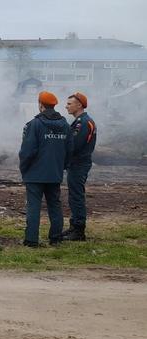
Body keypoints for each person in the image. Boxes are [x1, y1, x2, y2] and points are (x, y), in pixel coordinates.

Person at [19, 91, 71, 247]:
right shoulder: (65, 125)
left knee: (33, 207)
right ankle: (56, 238)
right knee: (55, 205)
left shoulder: (34, 124)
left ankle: (31, 240)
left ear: (40, 105)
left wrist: (24, 168)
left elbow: (27, 151)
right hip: (55, 173)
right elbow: (70, 150)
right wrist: (61, 167)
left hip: (34, 174)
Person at [62, 92, 97, 241]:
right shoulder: (80, 121)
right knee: (74, 195)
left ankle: (78, 230)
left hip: (79, 164)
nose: (66, 106)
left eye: (69, 104)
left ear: (79, 105)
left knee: (76, 196)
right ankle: (74, 226)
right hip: (76, 163)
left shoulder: (83, 123)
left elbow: (74, 145)